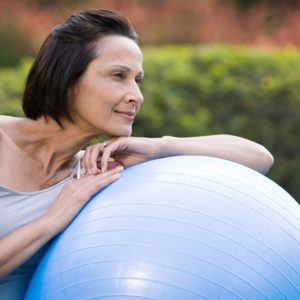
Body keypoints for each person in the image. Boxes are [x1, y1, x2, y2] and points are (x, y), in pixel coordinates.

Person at [0, 9, 274, 300]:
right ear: (66, 77)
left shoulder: (96, 172)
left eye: (137, 80)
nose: (137, 96)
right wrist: (51, 221)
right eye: (119, 76)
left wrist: (162, 147)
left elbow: (259, 158)